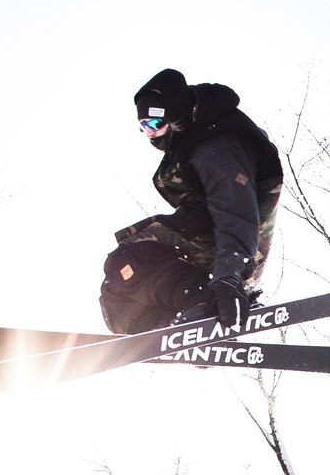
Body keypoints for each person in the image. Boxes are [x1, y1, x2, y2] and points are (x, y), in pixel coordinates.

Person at [100, 69, 284, 335]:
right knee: (118, 287)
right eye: (143, 127)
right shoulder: (194, 139)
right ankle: (174, 328)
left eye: (153, 124)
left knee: (130, 258)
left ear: (175, 117)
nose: (149, 134)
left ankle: (203, 306)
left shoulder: (217, 147)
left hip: (231, 255)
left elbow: (236, 209)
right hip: (217, 249)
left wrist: (229, 276)